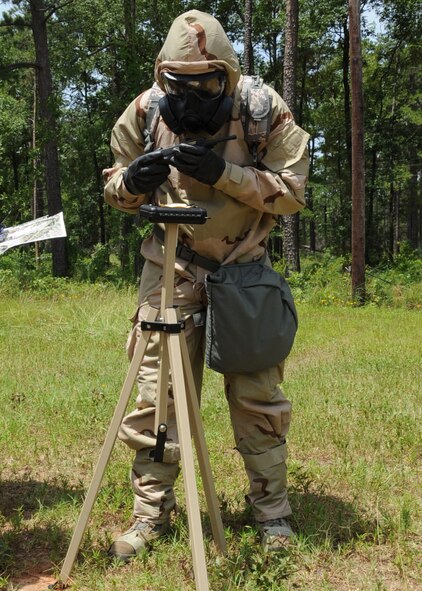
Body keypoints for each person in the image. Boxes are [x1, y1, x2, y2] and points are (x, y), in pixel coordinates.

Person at [103, 9, 309, 560]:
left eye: (206, 85)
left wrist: (226, 176)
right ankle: (151, 514)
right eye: (179, 85)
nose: (192, 98)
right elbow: (114, 187)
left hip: (243, 268)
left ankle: (272, 515)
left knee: (257, 397)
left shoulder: (263, 110)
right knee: (156, 399)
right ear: (162, 77)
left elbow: (293, 193)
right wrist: (132, 183)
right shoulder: (145, 111)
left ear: (228, 77)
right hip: (169, 269)